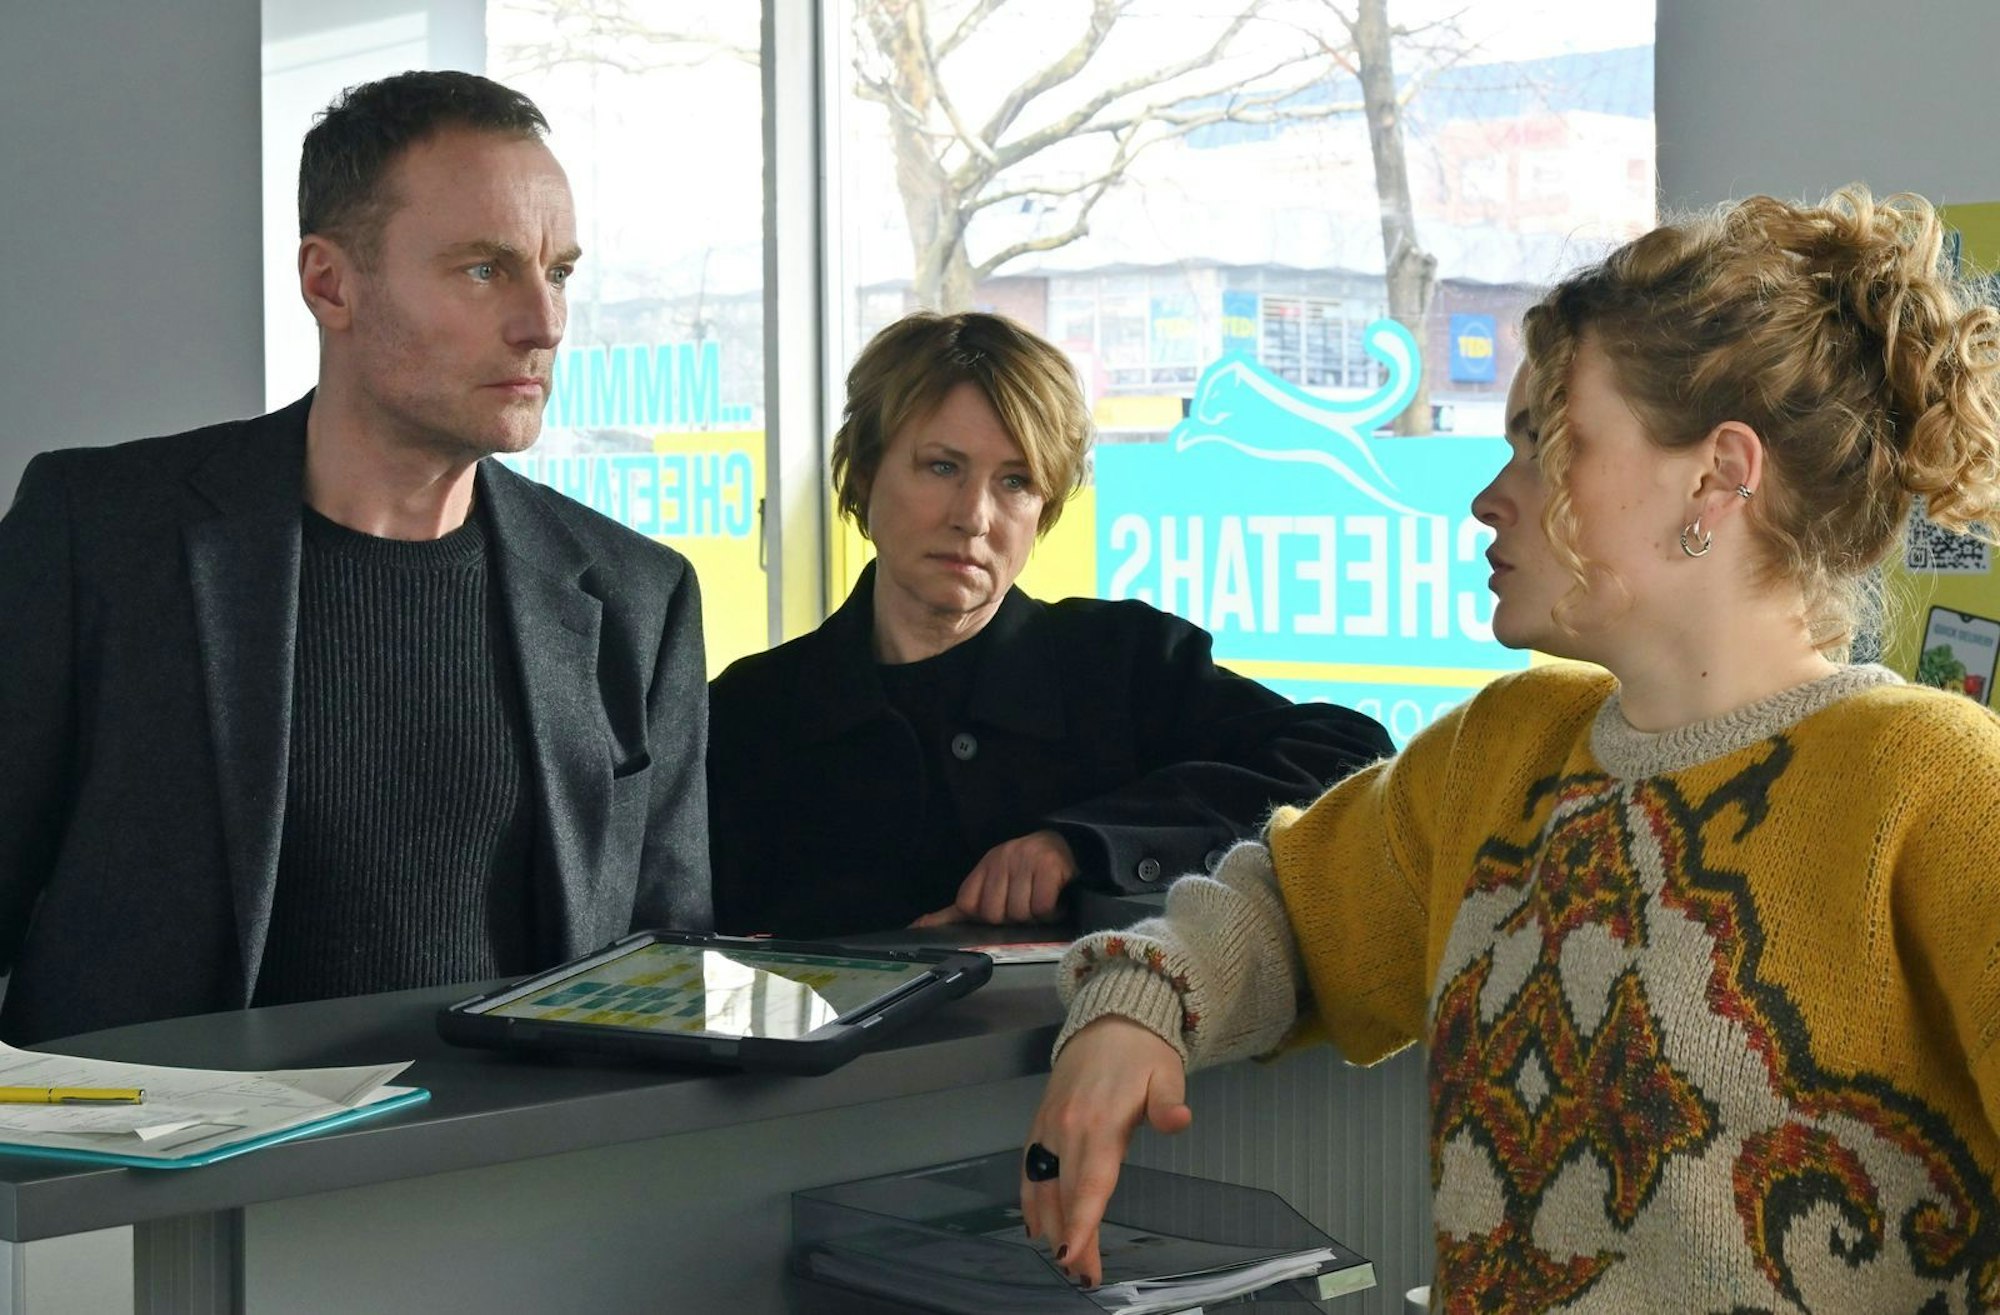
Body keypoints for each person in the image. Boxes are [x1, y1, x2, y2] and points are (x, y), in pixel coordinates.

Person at [1022, 188, 2000, 1311]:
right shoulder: (1500, 754)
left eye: (1546, 442)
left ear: (1717, 475)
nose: (1493, 497)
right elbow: (1286, 909)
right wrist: (1136, 1004)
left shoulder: (1933, 782)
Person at [0, 71, 709, 1046]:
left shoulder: (636, 595)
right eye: (481, 268)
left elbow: (664, 965)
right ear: (329, 282)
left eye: (558, 272)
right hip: (155, 1183)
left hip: (517, 1181)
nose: (542, 322)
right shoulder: (103, 535)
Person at [706, 311, 1392, 941]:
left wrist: (1083, 842)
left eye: (1015, 482)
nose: (974, 515)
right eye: (942, 467)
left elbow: (1346, 754)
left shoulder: (1122, 663)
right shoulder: (748, 710)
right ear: (861, 476)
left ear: (1045, 506)